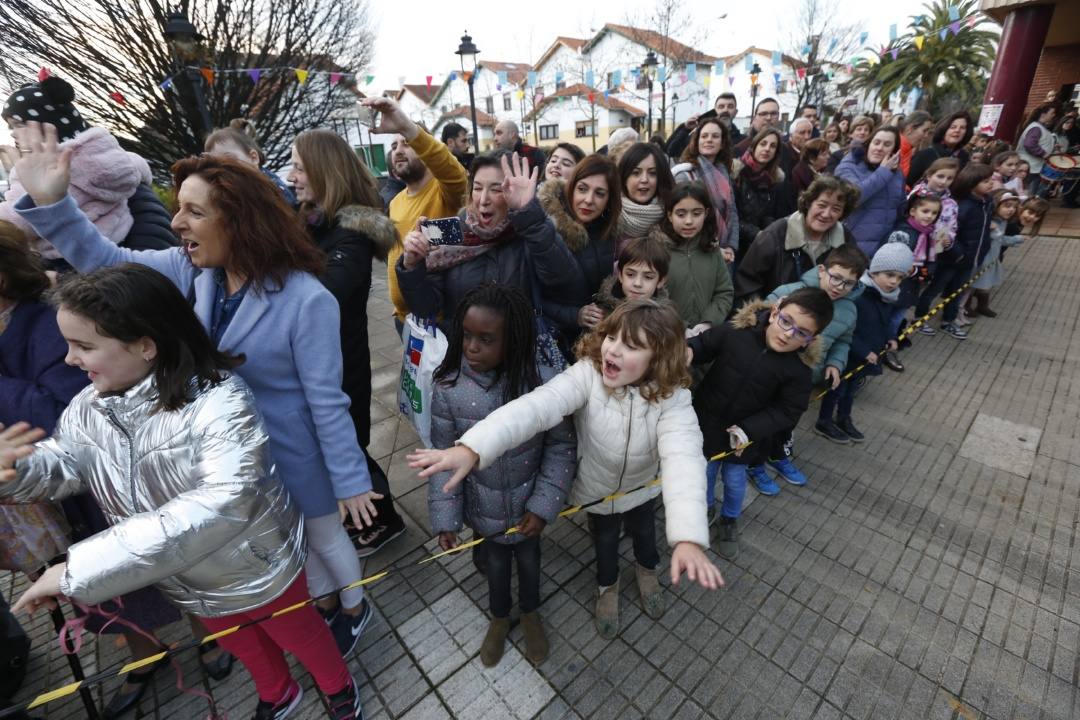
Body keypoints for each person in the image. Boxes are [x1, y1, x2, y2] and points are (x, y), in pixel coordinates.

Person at [12, 124, 382, 658]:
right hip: (234, 459)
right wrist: (54, 203)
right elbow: (111, 262)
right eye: (179, 208)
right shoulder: (194, 275)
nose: (177, 222)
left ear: (239, 220)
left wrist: (350, 480)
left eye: (194, 211)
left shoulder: (307, 300)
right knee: (294, 545)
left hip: (296, 452)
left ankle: (353, 607)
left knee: (326, 538)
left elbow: (328, 399)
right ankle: (324, 607)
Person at [0, 265, 364, 720]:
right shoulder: (89, 406)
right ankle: (277, 691)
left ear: (145, 344)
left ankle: (337, 687)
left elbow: (223, 501)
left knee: (297, 632)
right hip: (183, 575)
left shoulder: (219, 400)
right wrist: (14, 472)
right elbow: (65, 462)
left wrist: (81, 569)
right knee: (235, 640)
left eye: (84, 346)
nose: (70, 359)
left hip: (255, 566)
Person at [409, 299, 724, 639]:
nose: (613, 351)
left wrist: (688, 537)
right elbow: (535, 407)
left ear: (660, 358)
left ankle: (648, 573)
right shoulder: (587, 374)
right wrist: (474, 447)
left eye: (631, 346)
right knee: (604, 545)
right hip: (595, 494)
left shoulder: (673, 399)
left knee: (646, 537)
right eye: (612, 337)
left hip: (642, 487)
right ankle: (608, 590)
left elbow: (685, 458)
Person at [0, 223, 205, 718]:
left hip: (98, 473)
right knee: (93, 582)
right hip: (47, 493)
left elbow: (62, 411)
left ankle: (210, 636)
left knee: (166, 559)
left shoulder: (44, 322)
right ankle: (143, 654)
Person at [428, 284, 576, 667]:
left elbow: (561, 447)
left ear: (515, 340)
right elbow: (443, 459)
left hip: (529, 512)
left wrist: (544, 506)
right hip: (485, 515)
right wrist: (446, 519)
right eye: (467, 335)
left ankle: (530, 612)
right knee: (494, 570)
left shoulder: (542, 384)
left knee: (529, 566)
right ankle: (499, 616)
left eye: (486, 339)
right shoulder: (447, 388)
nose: (472, 347)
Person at [288, 129, 407, 559]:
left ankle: (383, 522)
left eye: (299, 167)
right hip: (323, 362)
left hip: (341, 364)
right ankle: (368, 516)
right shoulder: (312, 220)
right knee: (342, 446)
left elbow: (324, 298)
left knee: (348, 447)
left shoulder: (349, 237)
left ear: (324, 172)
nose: (292, 176)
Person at [688, 287, 834, 558]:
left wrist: (750, 430)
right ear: (775, 312)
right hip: (706, 426)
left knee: (734, 482)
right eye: (786, 321)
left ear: (810, 339)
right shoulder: (736, 334)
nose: (789, 334)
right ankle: (703, 508)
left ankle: (729, 519)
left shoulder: (797, 372)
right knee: (703, 476)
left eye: (801, 333)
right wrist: (689, 351)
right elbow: (705, 344)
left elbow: (787, 411)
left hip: (746, 442)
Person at [396, 152, 585, 334]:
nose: (483, 200)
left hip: (519, 356)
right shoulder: (451, 235)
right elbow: (425, 308)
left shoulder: (531, 232)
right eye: (477, 188)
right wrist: (412, 266)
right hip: (462, 357)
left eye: (496, 189)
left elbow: (565, 279)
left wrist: (529, 215)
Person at [1, 74, 176, 270]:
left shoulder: (47, 171)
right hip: (117, 242)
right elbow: (136, 166)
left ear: (46, 124)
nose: (13, 133)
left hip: (66, 259)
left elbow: (15, 222)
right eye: (10, 127)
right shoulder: (112, 160)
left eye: (18, 125)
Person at [748, 246, 867, 478]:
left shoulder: (849, 310)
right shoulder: (791, 292)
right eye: (836, 278)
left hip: (806, 380)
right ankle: (754, 464)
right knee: (764, 421)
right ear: (822, 270)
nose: (839, 287)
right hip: (773, 375)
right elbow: (761, 319)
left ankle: (778, 455)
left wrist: (836, 363)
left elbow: (844, 340)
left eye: (848, 283)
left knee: (787, 422)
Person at [362, 95, 469, 327]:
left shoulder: (445, 191)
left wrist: (407, 128)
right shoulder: (397, 201)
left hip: (439, 320)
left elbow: (454, 172)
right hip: (404, 321)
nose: (398, 151)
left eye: (407, 144)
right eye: (394, 146)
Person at [817, 243, 914, 442]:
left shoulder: (885, 296)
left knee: (851, 390)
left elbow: (884, 322)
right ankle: (824, 420)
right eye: (889, 275)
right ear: (875, 272)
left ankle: (844, 417)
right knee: (836, 389)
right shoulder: (859, 296)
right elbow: (847, 330)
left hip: (868, 355)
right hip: (850, 355)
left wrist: (890, 338)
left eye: (899, 277)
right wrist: (863, 351)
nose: (894, 282)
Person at [734, 176, 859, 306]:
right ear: (809, 202)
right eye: (822, 205)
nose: (826, 214)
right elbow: (746, 286)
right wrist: (765, 315)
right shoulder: (774, 235)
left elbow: (853, 285)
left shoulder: (846, 241)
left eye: (836, 209)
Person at [537, 154, 621, 347]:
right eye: (582, 189)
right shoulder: (547, 230)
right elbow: (533, 297)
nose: (589, 200)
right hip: (556, 340)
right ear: (571, 187)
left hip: (594, 342)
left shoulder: (609, 232)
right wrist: (575, 315)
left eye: (600, 193)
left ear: (609, 199)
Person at [913, 163, 994, 340]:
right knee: (934, 289)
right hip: (952, 257)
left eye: (950, 178)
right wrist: (957, 253)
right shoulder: (964, 205)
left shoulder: (986, 202)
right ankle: (919, 318)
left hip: (972, 257)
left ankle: (948, 321)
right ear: (972, 182)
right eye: (985, 181)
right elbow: (951, 231)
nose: (991, 184)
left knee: (957, 291)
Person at [652, 183, 733, 337]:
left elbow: (724, 292)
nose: (689, 221)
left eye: (696, 214)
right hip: (667, 337)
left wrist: (708, 322)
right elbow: (651, 297)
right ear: (670, 215)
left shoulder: (712, 250)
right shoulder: (657, 251)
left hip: (706, 337)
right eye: (681, 214)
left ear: (706, 213)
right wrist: (680, 327)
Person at [879, 192, 943, 372]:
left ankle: (887, 347)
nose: (929, 216)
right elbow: (891, 260)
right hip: (893, 286)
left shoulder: (929, 235)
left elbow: (932, 262)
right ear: (913, 211)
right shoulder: (903, 233)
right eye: (925, 211)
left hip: (911, 287)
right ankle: (883, 349)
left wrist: (921, 272)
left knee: (897, 319)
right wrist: (917, 272)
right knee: (885, 319)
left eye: (934, 213)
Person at [670, 119, 740, 260]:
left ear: (722, 143)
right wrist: (713, 247)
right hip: (696, 250)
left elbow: (732, 211)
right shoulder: (684, 174)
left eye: (715, 136)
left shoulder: (725, 173)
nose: (709, 140)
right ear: (696, 141)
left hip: (725, 248)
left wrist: (731, 246)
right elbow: (682, 219)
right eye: (704, 136)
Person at [835, 125, 906, 257]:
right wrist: (884, 172)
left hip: (882, 250)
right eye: (876, 142)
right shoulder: (848, 167)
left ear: (894, 151)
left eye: (887, 144)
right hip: (851, 246)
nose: (879, 148)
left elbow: (900, 210)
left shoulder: (897, 175)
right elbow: (854, 197)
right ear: (869, 144)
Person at [205, 119, 297, 205]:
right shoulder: (225, 189)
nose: (223, 167)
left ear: (253, 158)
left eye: (229, 159)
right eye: (216, 164)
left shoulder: (269, 186)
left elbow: (287, 205)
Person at [731, 128, 785, 265]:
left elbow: (768, 214)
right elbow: (731, 217)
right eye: (763, 144)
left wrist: (771, 231)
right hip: (735, 246)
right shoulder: (736, 174)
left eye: (772, 146)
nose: (767, 149)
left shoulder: (773, 179)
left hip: (758, 246)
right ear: (754, 146)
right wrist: (757, 234)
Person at [967, 189, 1024, 318]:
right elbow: (997, 238)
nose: (1011, 210)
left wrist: (1015, 240)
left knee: (987, 284)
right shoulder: (990, 222)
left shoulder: (1003, 221)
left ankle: (982, 306)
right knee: (972, 284)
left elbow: (1000, 240)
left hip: (992, 258)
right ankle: (966, 306)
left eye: (1014, 207)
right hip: (982, 259)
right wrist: (1014, 239)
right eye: (1007, 206)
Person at [615, 142, 674, 256]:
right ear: (624, 177)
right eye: (636, 173)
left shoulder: (676, 219)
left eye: (652, 173)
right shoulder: (607, 216)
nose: (644, 180)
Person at [594, 235, 671, 314]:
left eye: (648, 277)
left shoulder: (664, 321)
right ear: (620, 275)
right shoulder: (600, 312)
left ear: (661, 281)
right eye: (630, 274)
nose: (637, 283)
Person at [909, 157, 960, 263]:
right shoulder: (917, 194)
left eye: (949, 178)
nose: (944, 181)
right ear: (929, 175)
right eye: (940, 176)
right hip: (910, 246)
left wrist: (948, 239)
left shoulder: (951, 204)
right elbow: (904, 215)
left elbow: (952, 227)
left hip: (932, 253)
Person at [666, 92, 745, 159]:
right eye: (721, 107)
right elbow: (671, 151)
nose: (725, 110)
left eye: (730, 107)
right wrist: (685, 129)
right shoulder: (700, 137)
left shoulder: (743, 141)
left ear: (735, 112)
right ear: (715, 111)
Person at [906, 111, 973, 187]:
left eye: (962, 128)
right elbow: (908, 183)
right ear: (944, 129)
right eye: (953, 127)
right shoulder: (926, 154)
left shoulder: (965, 157)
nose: (957, 130)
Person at [1016, 103, 1060, 198]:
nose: (1054, 115)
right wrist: (1044, 154)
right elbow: (1029, 144)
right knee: (1024, 194)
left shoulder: (1039, 127)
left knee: (1027, 194)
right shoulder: (1036, 128)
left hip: (1033, 167)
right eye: (1052, 113)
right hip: (1028, 167)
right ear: (1043, 115)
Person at [898, 111, 933, 182]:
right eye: (924, 131)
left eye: (928, 132)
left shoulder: (907, 150)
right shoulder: (894, 147)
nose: (926, 136)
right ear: (910, 129)